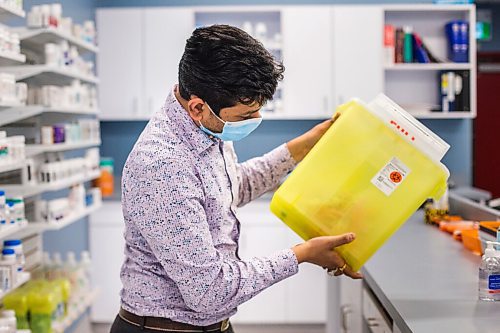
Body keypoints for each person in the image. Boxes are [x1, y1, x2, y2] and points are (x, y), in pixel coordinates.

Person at [110, 24, 362, 333]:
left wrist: (305, 144)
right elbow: (210, 292)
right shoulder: (162, 165)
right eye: (245, 116)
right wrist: (302, 254)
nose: (255, 121)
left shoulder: (206, 128)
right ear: (198, 107)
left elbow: (230, 188)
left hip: (209, 324)